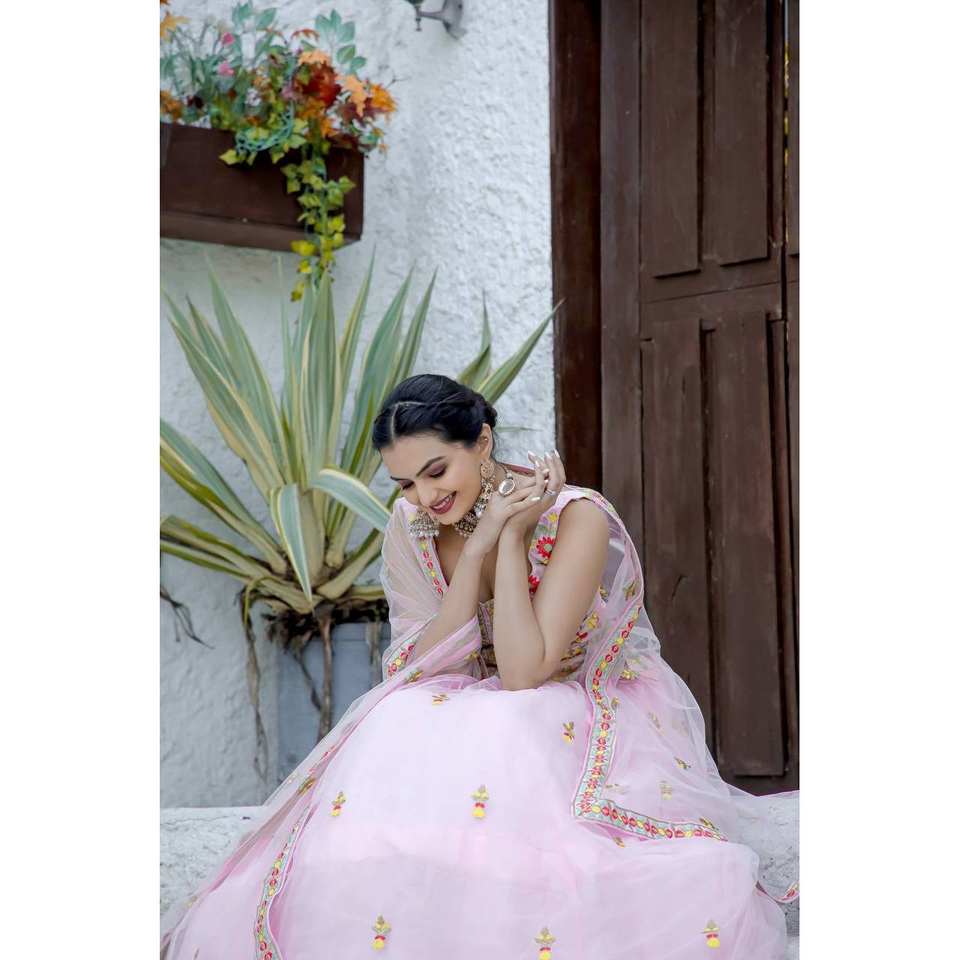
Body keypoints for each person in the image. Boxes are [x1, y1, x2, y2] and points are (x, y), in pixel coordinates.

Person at [161, 374, 798, 959]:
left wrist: (514, 537)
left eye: (436, 471)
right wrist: (478, 548)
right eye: (406, 484)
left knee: (509, 717)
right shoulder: (413, 522)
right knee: (404, 712)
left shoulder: (575, 516)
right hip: (483, 697)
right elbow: (419, 666)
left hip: (587, 700)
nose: (425, 496)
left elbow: (524, 672)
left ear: (483, 441)